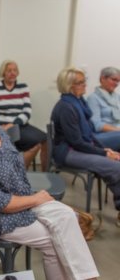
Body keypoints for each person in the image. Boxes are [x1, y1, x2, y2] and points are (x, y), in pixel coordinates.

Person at [0, 77, 99, 280]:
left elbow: (18, 174)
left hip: (21, 200)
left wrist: (32, 199)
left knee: (67, 217)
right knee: (55, 240)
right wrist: (36, 199)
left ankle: (88, 277)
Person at [51, 66, 120, 226]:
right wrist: (104, 155)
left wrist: (105, 150)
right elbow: (77, 142)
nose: (85, 85)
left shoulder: (79, 103)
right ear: (69, 86)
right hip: (67, 152)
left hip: (77, 148)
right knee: (115, 167)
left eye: (84, 81)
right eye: (80, 83)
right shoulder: (66, 107)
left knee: (115, 162)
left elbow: (89, 135)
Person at [0, 60, 47, 171]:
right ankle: (16, 172)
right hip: (0, 126)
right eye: (9, 70)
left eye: (15, 70)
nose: (12, 73)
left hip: (20, 125)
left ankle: (44, 172)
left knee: (45, 139)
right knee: (9, 142)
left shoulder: (23, 87)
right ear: (3, 72)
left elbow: (27, 110)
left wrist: (14, 123)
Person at [86, 67, 120, 150]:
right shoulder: (93, 98)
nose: (116, 83)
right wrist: (118, 130)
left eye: (118, 81)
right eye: (113, 80)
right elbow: (97, 125)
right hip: (101, 135)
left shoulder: (117, 97)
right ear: (102, 79)